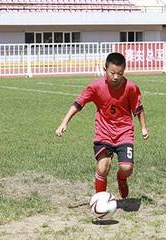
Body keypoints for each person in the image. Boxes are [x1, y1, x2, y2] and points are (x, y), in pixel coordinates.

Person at [55, 52, 149, 199]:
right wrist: (64, 122)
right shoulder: (95, 86)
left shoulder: (131, 87)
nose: (116, 77)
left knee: (126, 168)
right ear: (104, 68)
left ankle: (121, 178)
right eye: (112, 73)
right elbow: (78, 103)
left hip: (124, 132)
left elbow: (138, 109)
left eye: (120, 73)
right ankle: (100, 200)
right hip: (103, 132)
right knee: (103, 166)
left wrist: (143, 127)